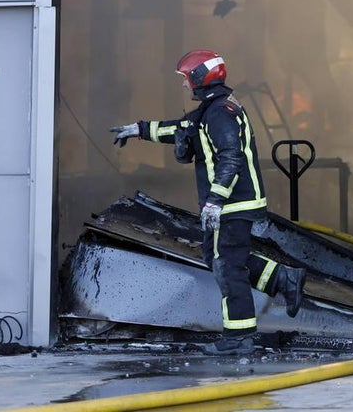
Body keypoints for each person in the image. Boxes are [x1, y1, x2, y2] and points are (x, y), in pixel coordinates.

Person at [110, 49, 307, 356]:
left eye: (186, 78)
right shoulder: (213, 109)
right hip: (234, 202)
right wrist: (139, 129)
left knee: (226, 266)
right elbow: (180, 129)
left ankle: (239, 337)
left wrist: (215, 200)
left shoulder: (219, 114)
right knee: (222, 258)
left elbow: (230, 157)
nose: (183, 84)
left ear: (201, 77)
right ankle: (283, 278)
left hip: (231, 203)